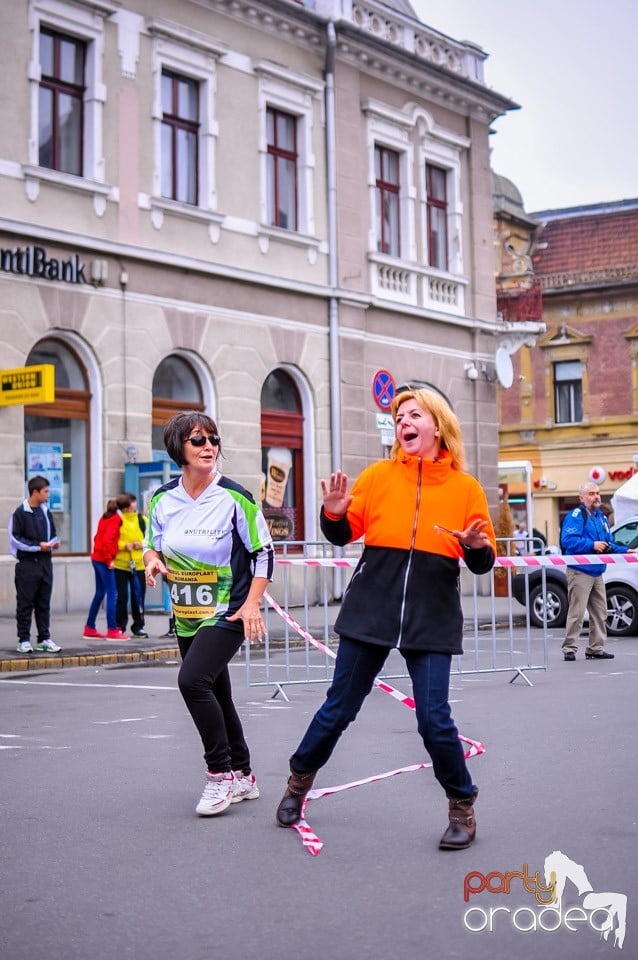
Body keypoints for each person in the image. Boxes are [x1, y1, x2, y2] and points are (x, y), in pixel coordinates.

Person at [275, 388, 496, 851]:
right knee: (339, 709)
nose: (404, 422)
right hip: (371, 609)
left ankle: (462, 806)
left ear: (437, 425)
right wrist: (332, 514)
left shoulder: (465, 488)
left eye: (414, 415)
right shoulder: (377, 477)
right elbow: (341, 532)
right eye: (399, 417)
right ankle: (297, 784)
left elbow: (483, 560)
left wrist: (476, 547)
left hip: (431, 617)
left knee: (435, 720)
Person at [144, 411, 274, 816]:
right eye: (198, 441)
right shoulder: (163, 499)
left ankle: (219, 776)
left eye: (214, 440)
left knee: (193, 681)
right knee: (218, 692)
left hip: (228, 609)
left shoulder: (235, 497)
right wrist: (152, 560)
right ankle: (245, 775)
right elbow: (153, 544)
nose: (209, 447)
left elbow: (263, 552)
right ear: (177, 448)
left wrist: (252, 603)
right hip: (187, 610)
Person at [560, 482, 634, 662]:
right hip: (580, 571)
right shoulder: (577, 516)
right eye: (591, 493)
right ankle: (569, 648)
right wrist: (591, 545)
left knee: (601, 613)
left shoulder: (601, 517)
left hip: (597, 572)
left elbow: (608, 544)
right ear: (582, 498)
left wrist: (625, 551)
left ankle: (595, 649)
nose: (596, 497)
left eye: (598, 493)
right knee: (576, 613)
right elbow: (568, 541)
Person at [9, 475, 61, 654]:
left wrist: (54, 542)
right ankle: (23, 640)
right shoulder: (19, 513)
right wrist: (38, 546)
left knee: (43, 602)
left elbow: (53, 533)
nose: (48, 495)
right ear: (35, 492)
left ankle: (44, 639)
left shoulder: (45, 512)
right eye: (46, 491)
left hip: (45, 563)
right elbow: (15, 538)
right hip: (27, 564)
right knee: (25, 603)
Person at [83, 500, 129, 641]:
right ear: (124, 508)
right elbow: (108, 540)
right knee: (112, 593)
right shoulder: (115, 519)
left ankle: (90, 628)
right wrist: (110, 559)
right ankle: (112, 629)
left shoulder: (104, 517)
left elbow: (98, 537)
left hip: (97, 557)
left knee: (100, 593)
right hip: (104, 560)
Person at [113, 492, 148, 638]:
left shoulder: (142, 520)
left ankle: (138, 626)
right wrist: (124, 546)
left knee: (138, 597)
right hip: (121, 565)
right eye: (132, 502)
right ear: (126, 507)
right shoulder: (117, 521)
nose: (135, 504)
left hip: (139, 565)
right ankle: (120, 626)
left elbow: (151, 538)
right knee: (122, 597)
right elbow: (111, 540)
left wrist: (141, 544)